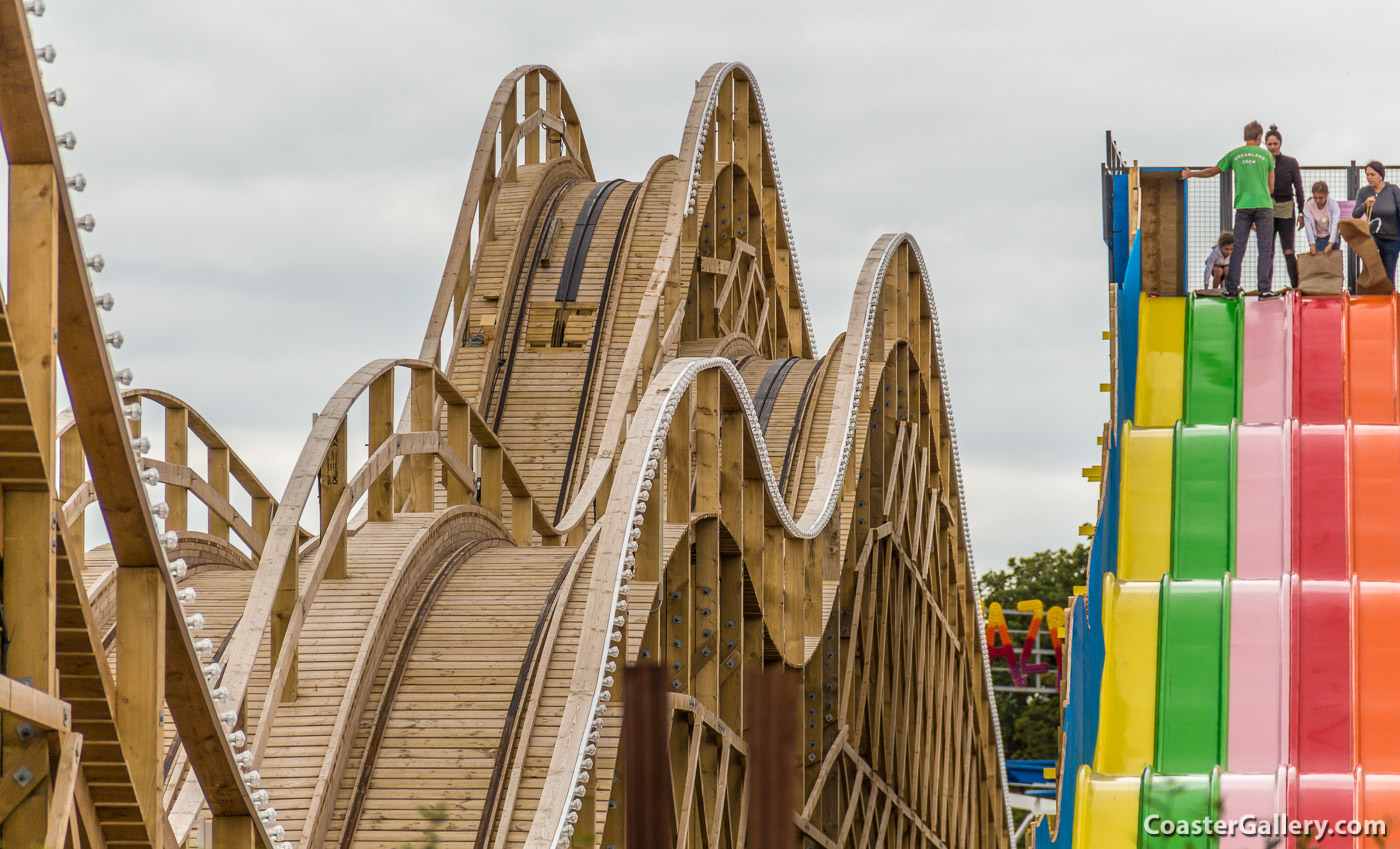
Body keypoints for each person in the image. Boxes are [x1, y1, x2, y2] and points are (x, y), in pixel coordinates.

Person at [1182, 121, 1278, 298]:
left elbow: (1212, 171)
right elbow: (1271, 187)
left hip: (1243, 206)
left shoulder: (1235, 154)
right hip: (1264, 206)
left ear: (1244, 137)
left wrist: (1191, 174)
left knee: (1238, 248)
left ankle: (1231, 289)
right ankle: (1264, 289)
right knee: (1265, 248)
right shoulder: (1267, 156)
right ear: (1259, 137)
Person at [1265, 125, 1306, 287]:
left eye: (1275, 144)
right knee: (1268, 251)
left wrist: (1302, 211)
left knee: (1288, 250)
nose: (1273, 147)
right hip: (1266, 209)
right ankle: (1265, 286)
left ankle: (1296, 286)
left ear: (1280, 144)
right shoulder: (1263, 162)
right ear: (1266, 145)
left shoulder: (1290, 163)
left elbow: (1299, 188)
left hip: (1286, 209)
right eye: (1270, 144)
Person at [1352, 160, 1400, 282]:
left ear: (1380, 175)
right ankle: (1368, 291)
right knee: (1370, 265)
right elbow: (1355, 214)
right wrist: (1365, 205)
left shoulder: (1393, 190)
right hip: (1373, 236)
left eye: (1372, 174)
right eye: (1367, 175)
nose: (1369, 178)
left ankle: (1389, 298)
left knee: (1388, 275)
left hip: (1392, 238)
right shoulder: (1363, 192)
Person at [1303, 181, 1340, 255]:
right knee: (1319, 264)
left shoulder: (1334, 205)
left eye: (1320, 198)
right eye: (1315, 197)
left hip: (1331, 237)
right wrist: (1312, 244)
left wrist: (1330, 243)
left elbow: (1335, 225)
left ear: (1326, 194)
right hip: (1318, 238)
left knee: (1332, 263)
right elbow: (1308, 225)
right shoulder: (1308, 205)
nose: (1317, 201)